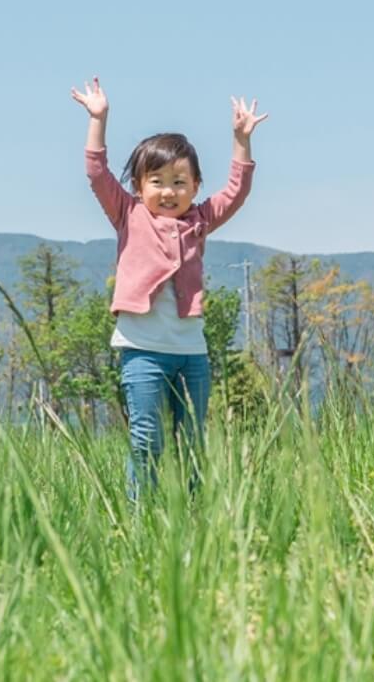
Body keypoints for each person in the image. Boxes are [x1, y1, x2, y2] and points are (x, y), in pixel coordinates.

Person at [68, 78, 259, 498]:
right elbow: (97, 172)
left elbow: (236, 192)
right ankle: (143, 518)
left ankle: (189, 517)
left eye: (179, 181)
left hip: (192, 354)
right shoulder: (128, 214)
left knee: (190, 444)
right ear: (139, 187)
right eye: (156, 181)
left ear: (194, 186)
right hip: (142, 351)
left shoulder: (199, 221)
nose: (168, 191)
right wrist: (99, 118)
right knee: (147, 439)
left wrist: (240, 140)